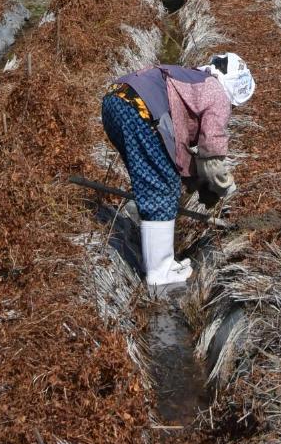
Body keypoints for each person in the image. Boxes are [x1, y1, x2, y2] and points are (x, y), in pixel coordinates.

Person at [101, 52, 255, 285]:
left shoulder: (195, 79)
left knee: (153, 179)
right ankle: (159, 272)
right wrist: (222, 187)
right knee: (161, 187)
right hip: (139, 110)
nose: (232, 108)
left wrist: (196, 180)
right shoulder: (218, 94)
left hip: (116, 100)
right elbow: (212, 154)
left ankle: (159, 257)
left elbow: (177, 151)